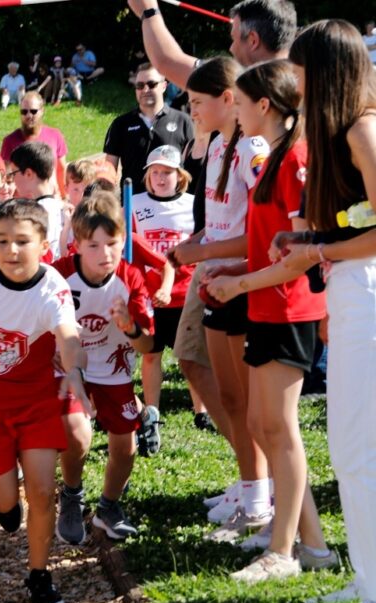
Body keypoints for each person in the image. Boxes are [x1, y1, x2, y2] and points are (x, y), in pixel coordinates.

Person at [205, 59, 337, 583]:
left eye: (240, 101)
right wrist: (236, 270)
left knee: (279, 429)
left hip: (289, 308)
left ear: (265, 105)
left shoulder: (296, 157)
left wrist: (239, 284)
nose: (234, 110)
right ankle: (313, 544)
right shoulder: (274, 156)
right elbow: (269, 245)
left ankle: (283, 552)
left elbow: (301, 255)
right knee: (265, 425)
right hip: (266, 304)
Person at [273, 19, 376, 603]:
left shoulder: (365, 130)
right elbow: (355, 224)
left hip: (366, 292)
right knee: (349, 447)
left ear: (327, 71)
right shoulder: (346, 131)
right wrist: (311, 240)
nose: (296, 84)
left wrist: (319, 251)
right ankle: (366, 580)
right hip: (351, 288)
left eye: (301, 71)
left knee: (360, 449)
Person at [0, 198, 89, 603]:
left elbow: (68, 336)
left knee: (43, 491)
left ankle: (39, 575)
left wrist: (74, 370)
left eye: (22, 241)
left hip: (36, 400)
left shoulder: (53, 289)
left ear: (44, 245)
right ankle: (6, 503)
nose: (11, 250)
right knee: (3, 502)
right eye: (1, 241)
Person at [168, 56, 270, 535]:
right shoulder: (213, 147)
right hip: (215, 281)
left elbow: (261, 233)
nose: (191, 111)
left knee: (249, 403)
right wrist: (193, 247)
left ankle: (261, 497)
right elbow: (220, 220)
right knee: (229, 397)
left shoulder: (252, 149)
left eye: (196, 102)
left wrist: (203, 251)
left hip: (242, 284)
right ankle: (251, 490)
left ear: (228, 99)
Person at [51, 191, 154, 545]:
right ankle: (72, 494)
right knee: (77, 432)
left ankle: (108, 507)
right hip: (68, 368)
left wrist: (130, 328)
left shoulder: (132, 278)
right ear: (77, 245)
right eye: (93, 245)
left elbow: (148, 346)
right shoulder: (58, 275)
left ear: (124, 240)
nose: (105, 253)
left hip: (113, 369)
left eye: (112, 243)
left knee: (125, 448)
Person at [129, 146, 207, 433]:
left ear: (180, 176)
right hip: (149, 296)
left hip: (184, 293)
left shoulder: (192, 204)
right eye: (155, 172)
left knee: (190, 356)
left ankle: (202, 412)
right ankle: (152, 413)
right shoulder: (133, 204)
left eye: (167, 172)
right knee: (151, 355)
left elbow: (202, 242)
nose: (161, 178)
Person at [126, 0, 296, 86]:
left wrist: (148, 12)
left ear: (253, 40)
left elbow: (167, 61)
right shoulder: (303, 80)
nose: (231, 48)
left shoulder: (248, 83)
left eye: (235, 39)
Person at [103, 64, 195, 192]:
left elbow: (193, 169)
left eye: (152, 84)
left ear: (164, 86)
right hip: (132, 201)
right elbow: (109, 169)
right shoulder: (121, 124)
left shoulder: (183, 121)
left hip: (172, 201)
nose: (145, 90)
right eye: (140, 86)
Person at [0, 92, 69, 191]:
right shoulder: (9, 141)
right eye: (24, 112)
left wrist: (63, 195)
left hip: (50, 195)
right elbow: (5, 174)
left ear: (42, 111)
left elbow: (61, 169)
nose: (28, 115)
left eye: (33, 111)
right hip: (22, 198)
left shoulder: (55, 135)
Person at [7, 142, 65, 259]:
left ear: (28, 174)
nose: (13, 180)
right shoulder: (62, 207)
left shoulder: (35, 214)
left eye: (13, 173)